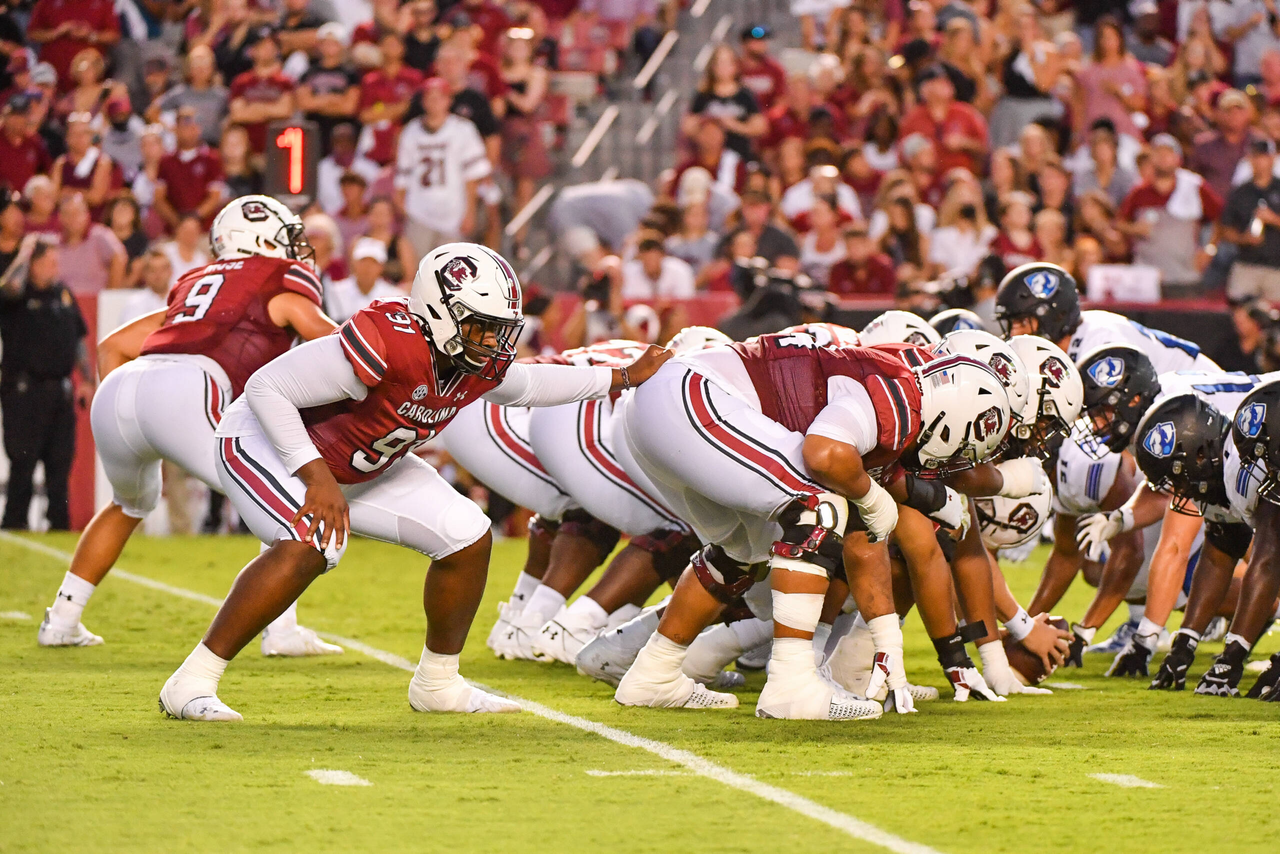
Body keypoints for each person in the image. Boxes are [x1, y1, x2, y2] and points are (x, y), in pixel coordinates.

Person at [156, 242, 673, 721]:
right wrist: (314, 477)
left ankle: (437, 684)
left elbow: (531, 381)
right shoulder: (390, 340)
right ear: (439, 312)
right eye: (482, 326)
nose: (494, 341)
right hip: (269, 441)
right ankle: (192, 680)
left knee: (467, 535)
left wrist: (622, 376)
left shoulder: (471, 360)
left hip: (360, 464)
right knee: (310, 542)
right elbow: (269, 388)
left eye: (500, 328)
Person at [613, 330, 1008, 716]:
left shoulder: (900, 394)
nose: (953, 462)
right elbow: (823, 454)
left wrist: (888, 643)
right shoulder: (899, 399)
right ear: (951, 422)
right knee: (819, 508)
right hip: (689, 396)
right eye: (961, 450)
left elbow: (862, 538)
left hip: (663, 406)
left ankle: (655, 673)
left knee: (741, 552)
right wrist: (872, 498)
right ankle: (790, 684)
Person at [35, 195, 340, 652]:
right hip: (188, 387)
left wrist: (139, 421)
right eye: (288, 239)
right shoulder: (276, 279)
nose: (296, 249)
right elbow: (327, 339)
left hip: (122, 389)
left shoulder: (198, 281)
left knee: (128, 504)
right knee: (289, 497)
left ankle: (61, 619)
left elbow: (113, 346)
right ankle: (280, 632)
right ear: (259, 238)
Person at [0, 238, 93, 530]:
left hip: (59, 391)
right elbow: (7, 289)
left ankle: (58, 524)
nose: (55, 268)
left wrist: (87, 379)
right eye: (49, 262)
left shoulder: (62, 293)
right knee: (23, 462)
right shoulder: (17, 295)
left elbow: (78, 338)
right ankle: (15, 522)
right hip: (24, 391)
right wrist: (24, 255)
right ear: (34, 264)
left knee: (60, 463)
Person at [394, 77, 490, 258]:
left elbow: (472, 176)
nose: (434, 102)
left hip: (453, 210)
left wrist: (470, 211)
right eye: (430, 97)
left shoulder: (463, 129)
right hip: (419, 210)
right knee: (419, 271)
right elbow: (403, 175)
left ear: (448, 100)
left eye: (439, 97)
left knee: (451, 273)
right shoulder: (411, 131)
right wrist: (402, 204)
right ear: (423, 101)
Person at [1117, 133, 1224, 292]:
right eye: (1159, 153)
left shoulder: (1195, 187)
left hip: (1185, 277)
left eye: (1168, 154)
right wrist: (1135, 229)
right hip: (1147, 278)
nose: (1163, 158)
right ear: (1151, 158)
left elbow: (1221, 218)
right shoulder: (1139, 192)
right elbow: (1119, 223)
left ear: (1178, 159)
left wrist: (1209, 250)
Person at [898, 64, 988, 177]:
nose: (945, 84)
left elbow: (984, 149)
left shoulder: (966, 113)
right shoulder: (912, 119)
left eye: (946, 81)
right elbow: (901, 155)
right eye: (938, 82)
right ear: (925, 89)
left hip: (961, 181)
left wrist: (965, 143)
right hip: (926, 183)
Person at [1222, 138, 1280, 301]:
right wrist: (1243, 238)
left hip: (1277, 268)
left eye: (1264, 157)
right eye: (1256, 157)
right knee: (1240, 314)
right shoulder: (1240, 192)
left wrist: (1273, 219)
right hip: (1247, 264)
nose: (1260, 162)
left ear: (1273, 158)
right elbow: (1225, 229)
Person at [27, 0, 121, 94]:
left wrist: (90, 35)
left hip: (88, 84)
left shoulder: (103, 3)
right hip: (53, 82)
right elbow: (32, 33)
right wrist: (57, 32)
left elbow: (114, 36)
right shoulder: (46, 2)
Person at [154, 107, 225, 231]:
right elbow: (159, 198)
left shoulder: (212, 159)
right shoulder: (166, 161)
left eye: (195, 125)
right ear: (176, 129)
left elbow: (214, 197)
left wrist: (194, 219)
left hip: (204, 230)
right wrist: (177, 221)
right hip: (174, 230)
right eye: (185, 126)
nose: (191, 130)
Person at [227, 30, 295, 155]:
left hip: (278, 150)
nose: (267, 50)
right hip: (247, 152)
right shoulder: (241, 82)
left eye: (271, 47)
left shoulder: (286, 82)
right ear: (252, 51)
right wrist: (271, 110)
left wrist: (255, 108)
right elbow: (238, 114)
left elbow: (285, 111)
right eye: (262, 47)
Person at [296, 23, 361, 153]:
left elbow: (348, 107)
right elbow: (304, 104)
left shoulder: (351, 74)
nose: (330, 47)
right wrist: (334, 99)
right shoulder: (308, 73)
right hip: (315, 132)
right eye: (326, 43)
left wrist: (318, 101)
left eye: (334, 43)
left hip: (342, 132)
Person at [148, 46, 229, 147]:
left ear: (212, 67)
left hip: (213, 146)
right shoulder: (179, 92)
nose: (200, 68)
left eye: (204, 63)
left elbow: (233, 116)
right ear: (189, 67)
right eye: (196, 63)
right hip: (186, 146)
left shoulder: (222, 95)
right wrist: (172, 130)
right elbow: (152, 112)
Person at [56, 193, 127, 295]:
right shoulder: (54, 243)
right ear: (60, 217)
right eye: (67, 213)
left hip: (96, 301)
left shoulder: (99, 235)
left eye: (77, 213)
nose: (72, 218)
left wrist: (111, 295)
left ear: (87, 215)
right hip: (65, 305)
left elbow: (119, 257)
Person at [325, 237, 403, 323]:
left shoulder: (394, 297)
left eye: (373, 262)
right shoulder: (335, 291)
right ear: (354, 263)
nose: (367, 267)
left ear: (382, 267)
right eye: (363, 260)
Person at [0, 94, 52, 197]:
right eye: (13, 115)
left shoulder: (34, 141)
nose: (17, 120)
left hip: (28, 202)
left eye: (21, 116)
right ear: (5, 116)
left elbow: (47, 170)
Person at [621, 233, 697, 300]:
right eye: (647, 259)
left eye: (654, 258)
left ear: (663, 256)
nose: (651, 263)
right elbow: (627, 301)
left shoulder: (680, 270)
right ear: (640, 257)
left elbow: (687, 300)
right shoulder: (628, 272)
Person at [828, 221, 896, 295]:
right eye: (849, 246)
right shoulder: (838, 270)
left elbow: (891, 298)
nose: (853, 251)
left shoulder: (883, 267)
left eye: (857, 246)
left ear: (867, 245)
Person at [739, 24, 788, 112]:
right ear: (744, 44)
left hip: (768, 119)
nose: (761, 45)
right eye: (756, 41)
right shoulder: (735, 68)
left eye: (763, 41)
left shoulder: (775, 69)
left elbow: (781, 99)